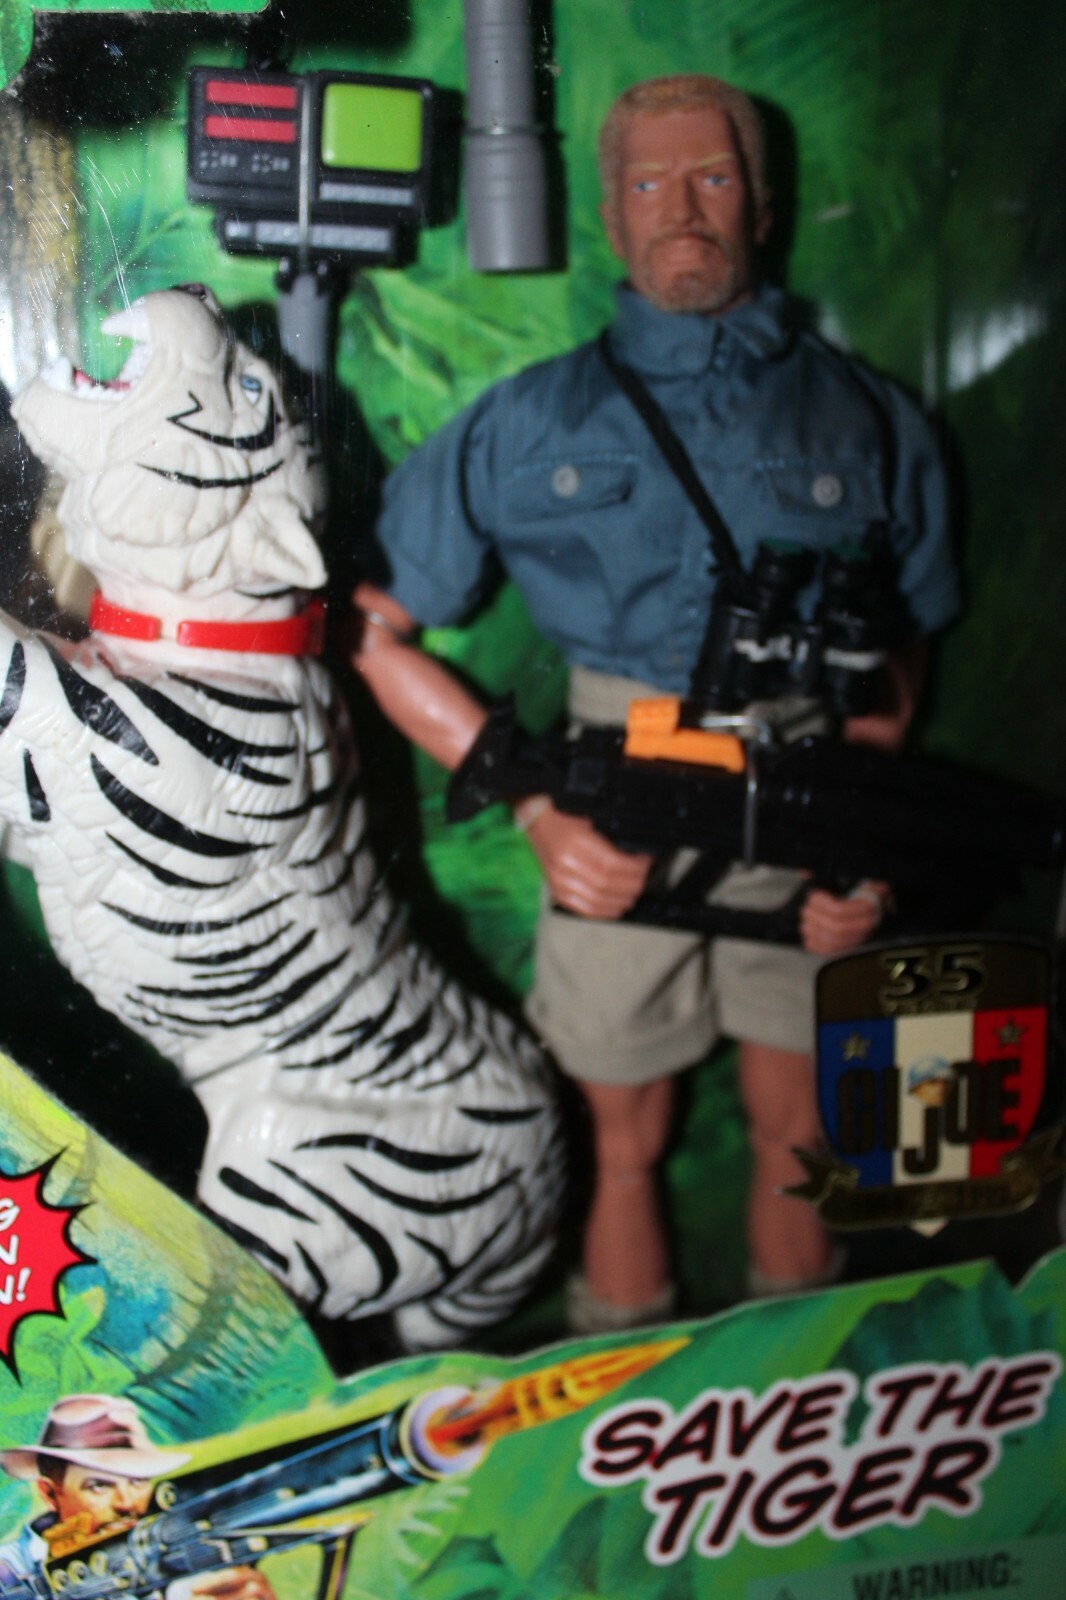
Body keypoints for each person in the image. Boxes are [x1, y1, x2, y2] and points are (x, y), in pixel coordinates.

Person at [351, 74, 959, 1330]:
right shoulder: (532, 418)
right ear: (609, 218)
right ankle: (623, 1384)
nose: (681, 210)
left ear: (765, 205)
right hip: (616, 800)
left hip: (799, 793)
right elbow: (372, 629)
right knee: (617, 1133)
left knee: (800, 1120)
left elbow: (897, 654)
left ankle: (787, 1377)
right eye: (647, 183)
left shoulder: (868, 418)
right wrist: (536, 811)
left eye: (712, 177)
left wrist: (862, 843)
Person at [0, 1394, 274, 1600]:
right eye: (99, 1486)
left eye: (138, 1481)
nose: (127, 1502)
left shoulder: (165, 1556)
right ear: (50, 1493)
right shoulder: (10, 1569)